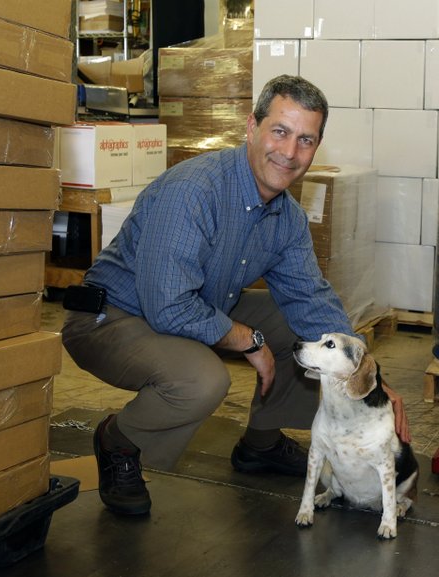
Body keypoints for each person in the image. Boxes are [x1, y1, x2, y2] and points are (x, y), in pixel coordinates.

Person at [61, 75, 410, 516]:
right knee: (203, 379)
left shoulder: (285, 217)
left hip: (196, 305)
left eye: (305, 140)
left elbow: (311, 300)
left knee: (301, 330)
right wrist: (249, 340)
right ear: (251, 127)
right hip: (112, 317)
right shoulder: (194, 192)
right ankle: (118, 441)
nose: (289, 152)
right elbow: (168, 305)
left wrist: (369, 377)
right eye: (280, 132)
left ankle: (260, 444)